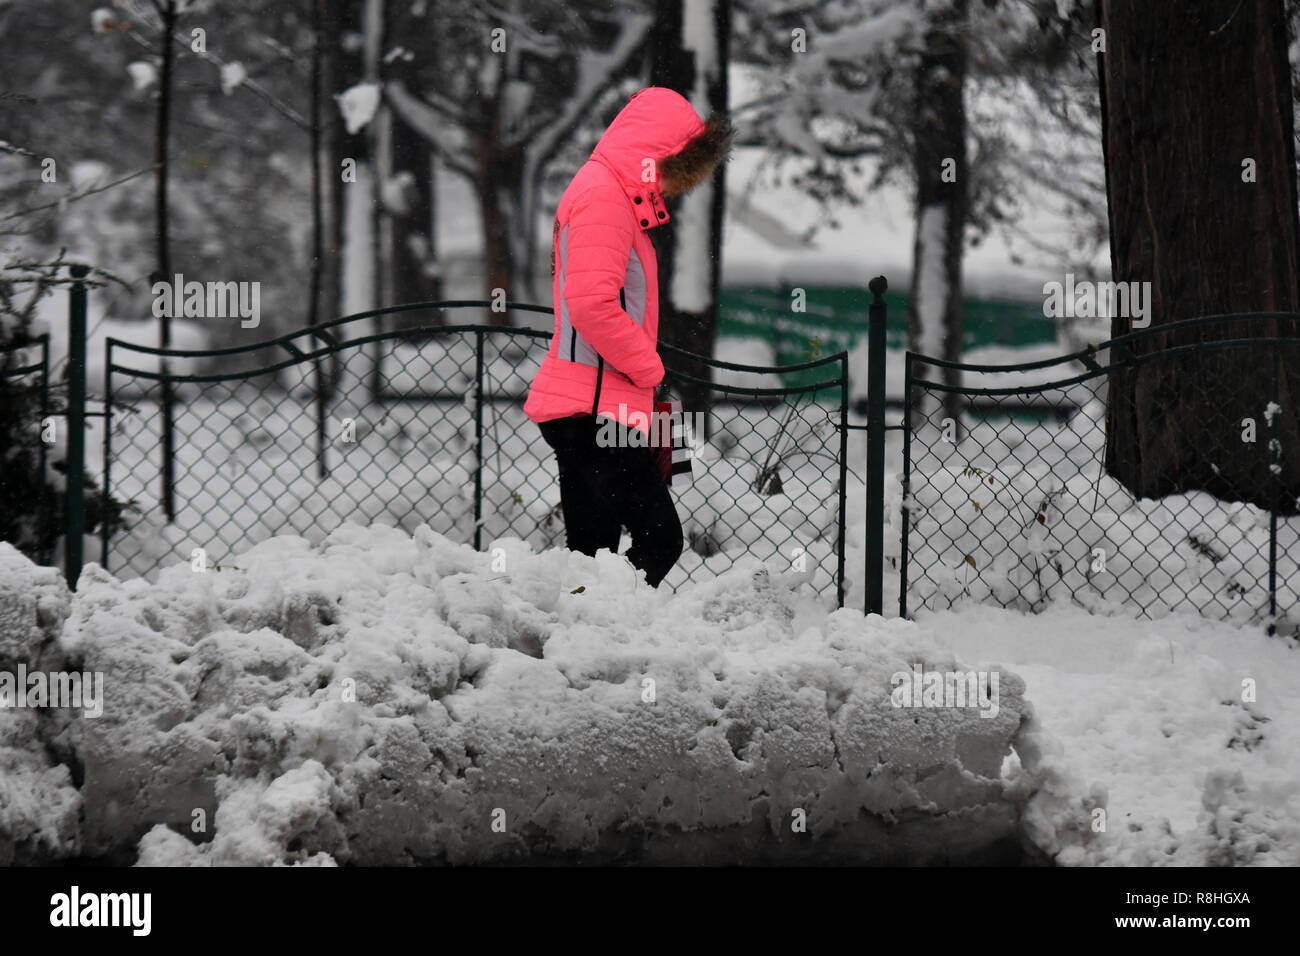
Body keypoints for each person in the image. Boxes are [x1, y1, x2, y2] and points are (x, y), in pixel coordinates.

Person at [524, 87, 732, 587]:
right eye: (673, 167)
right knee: (660, 540)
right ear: (654, 152)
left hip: (587, 407)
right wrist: (650, 369)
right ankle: (600, 633)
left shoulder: (605, 191)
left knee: (592, 558)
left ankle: (583, 645)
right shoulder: (603, 197)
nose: (671, 185)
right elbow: (592, 303)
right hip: (594, 410)